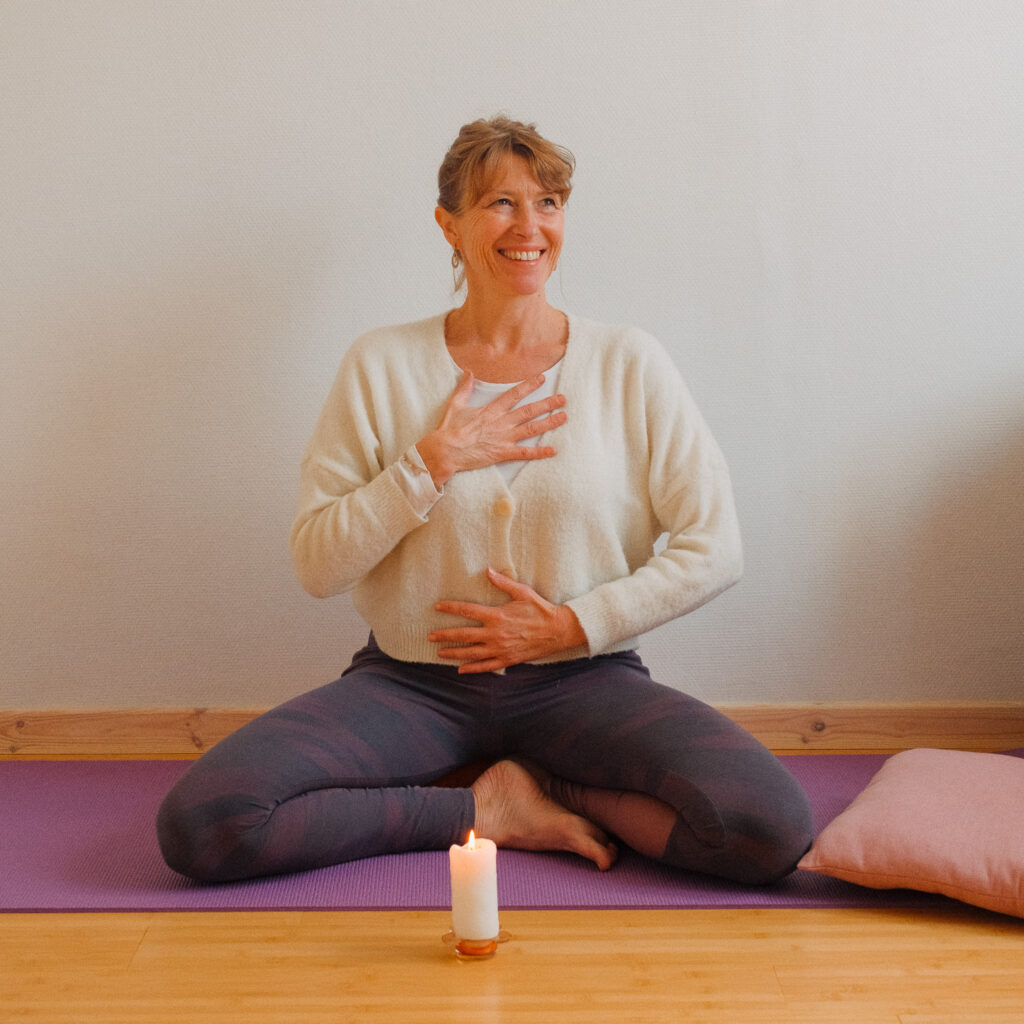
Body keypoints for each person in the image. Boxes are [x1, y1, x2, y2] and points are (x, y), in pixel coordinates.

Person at [157, 116, 813, 885]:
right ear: (451, 226)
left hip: (584, 679)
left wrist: (574, 624)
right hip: (413, 684)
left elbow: (715, 546)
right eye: (501, 203)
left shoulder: (628, 362)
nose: (529, 226)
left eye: (549, 202)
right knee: (205, 824)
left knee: (769, 829)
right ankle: (479, 808)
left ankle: (553, 785)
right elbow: (317, 564)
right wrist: (430, 464)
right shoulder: (381, 364)